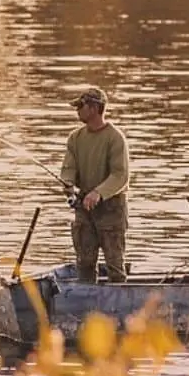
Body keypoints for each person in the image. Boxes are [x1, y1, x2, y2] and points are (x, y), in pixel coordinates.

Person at [59, 87, 130, 283]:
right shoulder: (75, 138)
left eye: (80, 106)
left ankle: (119, 306)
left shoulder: (115, 138)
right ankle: (87, 307)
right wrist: (69, 185)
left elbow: (120, 175)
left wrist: (98, 193)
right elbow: (68, 168)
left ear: (94, 108)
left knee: (115, 265)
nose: (77, 111)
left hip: (112, 209)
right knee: (84, 263)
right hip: (84, 208)